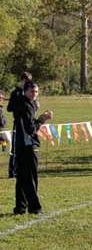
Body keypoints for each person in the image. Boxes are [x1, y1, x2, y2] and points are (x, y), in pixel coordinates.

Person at [13, 82, 53, 215]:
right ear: (25, 91)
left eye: (36, 92)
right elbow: (31, 129)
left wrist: (35, 108)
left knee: (21, 178)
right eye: (31, 91)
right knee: (31, 177)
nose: (34, 94)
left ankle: (20, 207)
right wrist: (42, 119)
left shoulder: (21, 103)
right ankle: (34, 207)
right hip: (28, 145)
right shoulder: (27, 105)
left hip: (20, 144)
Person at [7, 72, 33, 178]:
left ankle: (23, 169)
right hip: (18, 123)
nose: (28, 84)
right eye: (26, 81)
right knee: (15, 148)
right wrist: (19, 104)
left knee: (27, 147)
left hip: (28, 123)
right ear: (22, 80)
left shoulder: (30, 92)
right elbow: (9, 108)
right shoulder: (16, 92)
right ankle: (12, 171)